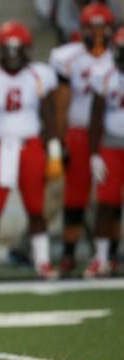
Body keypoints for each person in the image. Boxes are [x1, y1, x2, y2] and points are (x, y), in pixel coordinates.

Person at [0, 21, 60, 280]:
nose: (12, 55)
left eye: (17, 49)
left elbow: (48, 114)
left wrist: (53, 149)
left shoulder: (37, 75)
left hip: (30, 145)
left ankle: (42, 262)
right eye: (7, 49)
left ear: (26, 50)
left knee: (36, 208)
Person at [50, 3, 114, 276]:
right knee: (74, 198)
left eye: (103, 27)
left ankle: (110, 255)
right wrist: (60, 140)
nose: (98, 33)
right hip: (78, 132)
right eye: (93, 27)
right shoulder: (68, 57)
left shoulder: (116, 56)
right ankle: (68, 255)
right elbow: (61, 103)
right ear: (83, 29)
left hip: (109, 135)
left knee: (110, 200)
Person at [86, 27, 124, 277]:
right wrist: (94, 153)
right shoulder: (105, 74)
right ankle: (101, 257)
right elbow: (96, 116)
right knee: (107, 202)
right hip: (111, 144)